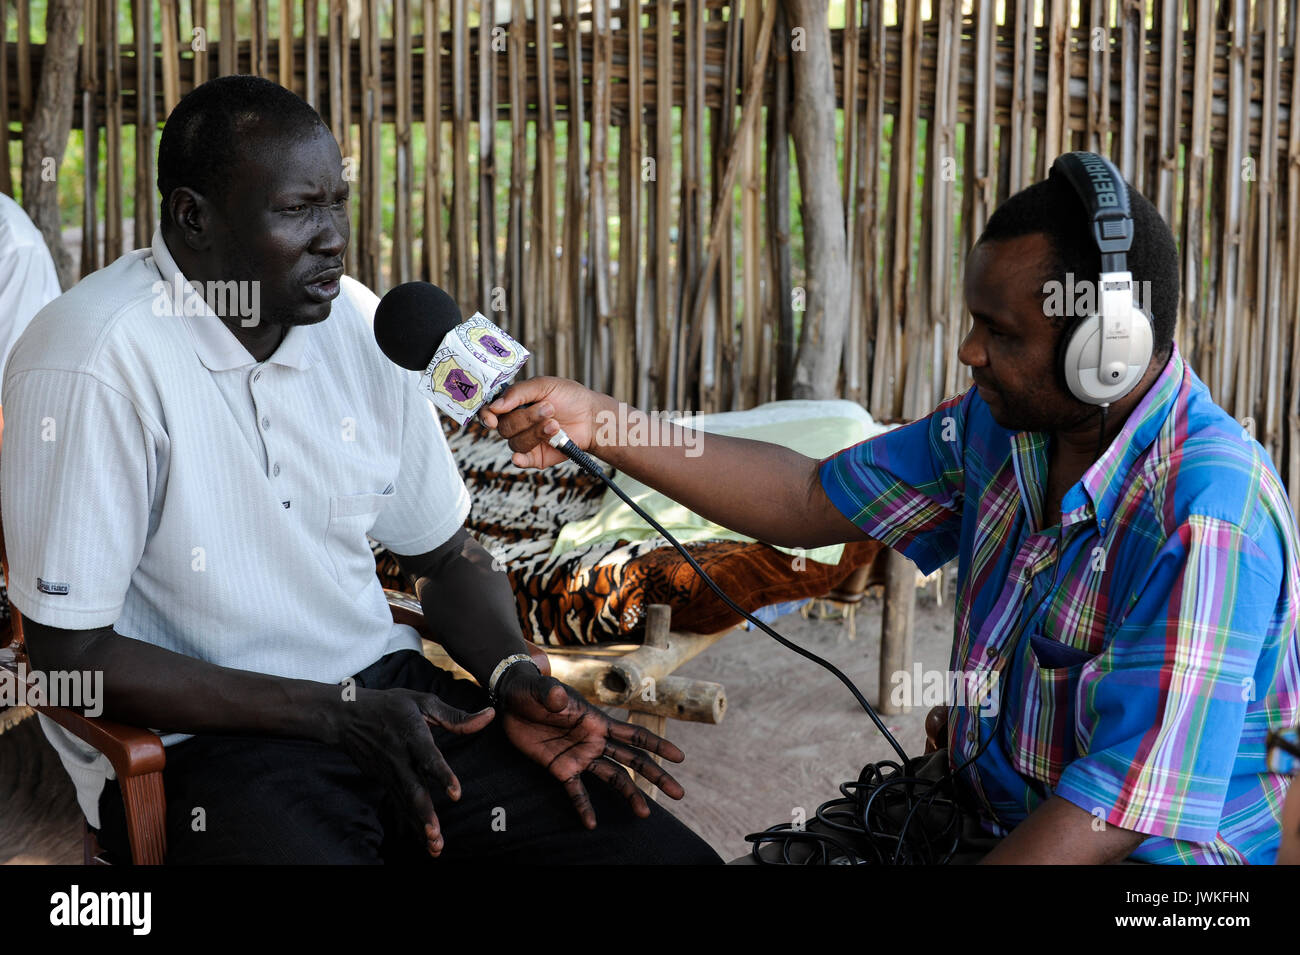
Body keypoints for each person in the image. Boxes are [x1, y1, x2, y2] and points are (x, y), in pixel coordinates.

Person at [485, 155, 1300, 864]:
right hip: (997, 813)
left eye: (999, 330)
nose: (969, 351)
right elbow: (806, 496)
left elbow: (1122, 801)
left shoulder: (1210, 511)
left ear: (1106, 352)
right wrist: (601, 420)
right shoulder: (1000, 428)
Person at [2, 75, 721, 865]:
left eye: (336, 203)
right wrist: (333, 713)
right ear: (193, 218)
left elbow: (447, 555)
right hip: (209, 748)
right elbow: (72, 661)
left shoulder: (355, 321)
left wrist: (514, 671)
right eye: (297, 209)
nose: (333, 237)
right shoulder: (92, 361)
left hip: (388, 700)